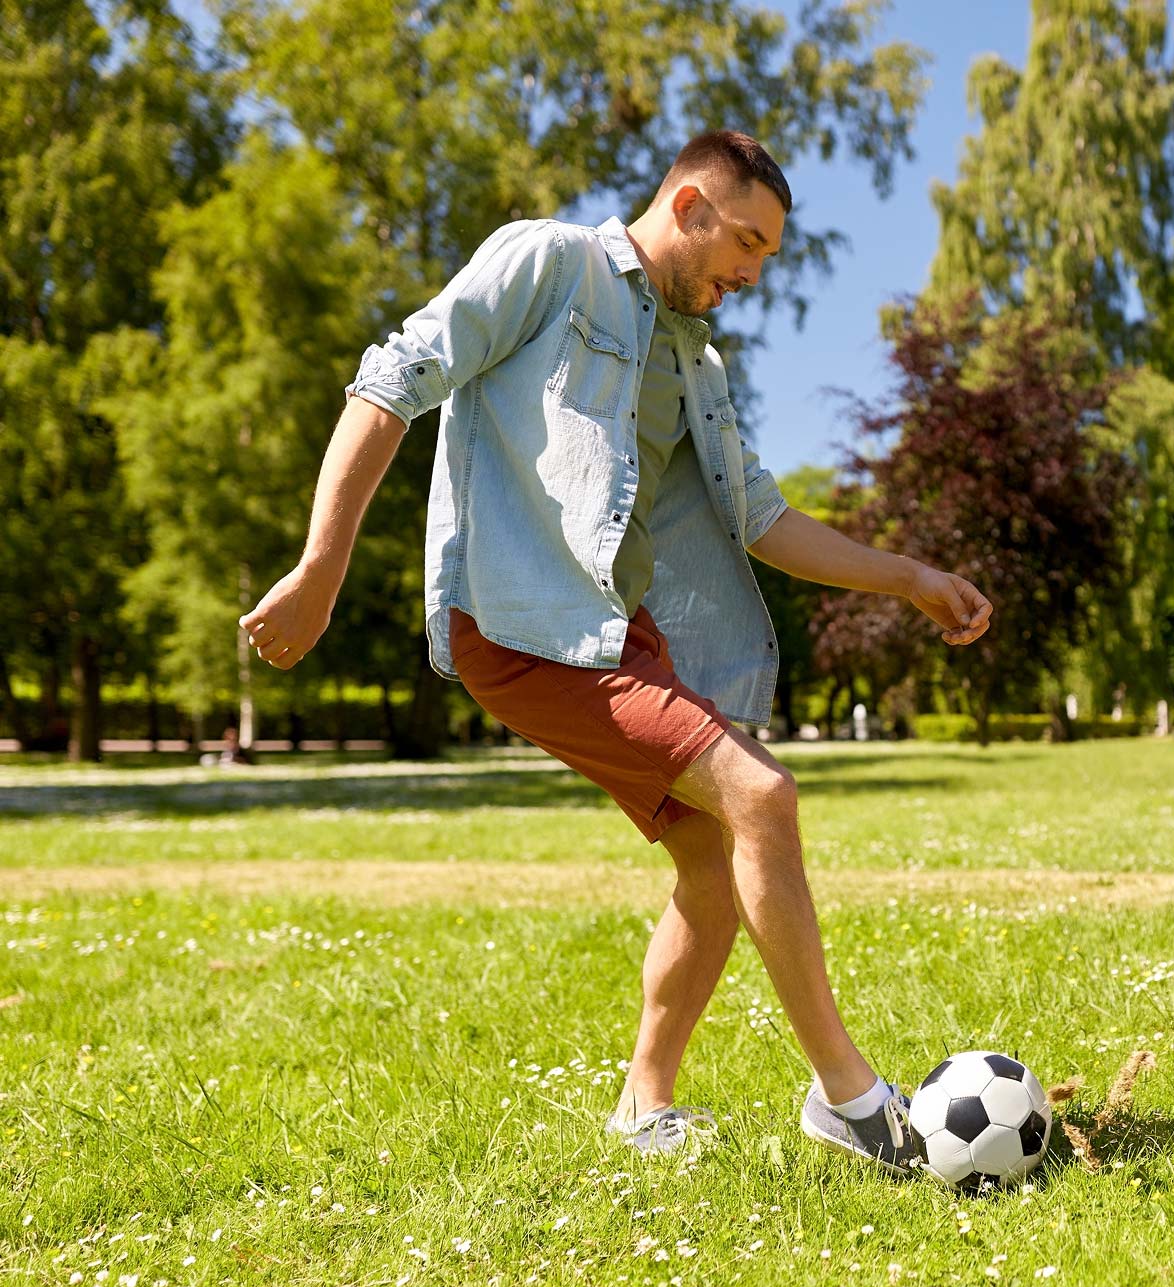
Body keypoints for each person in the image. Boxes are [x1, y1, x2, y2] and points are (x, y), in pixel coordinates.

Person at [240, 131, 992, 1172]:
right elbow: (392, 380)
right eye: (747, 242)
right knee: (762, 798)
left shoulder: (696, 356)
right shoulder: (548, 262)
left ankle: (646, 1104)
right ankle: (851, 1099)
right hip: (521, 619)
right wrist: (321, 566)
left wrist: (908, 576)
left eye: (768, 256)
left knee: (714, 857)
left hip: (614, 630)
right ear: (686, 204)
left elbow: (759, 515)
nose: (753, 273)